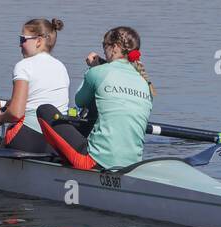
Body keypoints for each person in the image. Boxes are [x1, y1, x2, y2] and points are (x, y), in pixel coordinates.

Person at [35, 26, 155, 171]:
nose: (104, 50)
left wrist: (92, 68)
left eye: (104, 46)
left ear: (115, 47)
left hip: (93, 162)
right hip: (132, 165)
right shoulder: (145, 83)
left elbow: (80, 101)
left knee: (44, 110)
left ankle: (56, 159)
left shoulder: (97, 72)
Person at [0, 17, 72, 152]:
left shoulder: (23, 66)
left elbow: (16, 113)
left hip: (29, 137)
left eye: (23, 39)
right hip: (56, 140)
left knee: (8, 131)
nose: (20, 45)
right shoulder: (61, 67)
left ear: (38, 41)